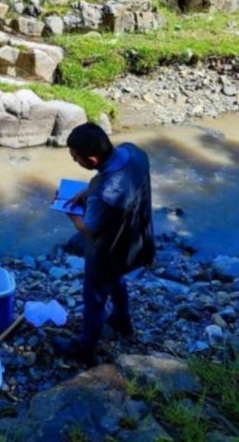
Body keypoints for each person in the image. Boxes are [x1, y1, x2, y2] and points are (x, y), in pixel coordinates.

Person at [55, 123, 155, 365]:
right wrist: (89, 189)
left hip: (108, 250)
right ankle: (122, 320)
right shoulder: (133, 152)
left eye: (76, 158)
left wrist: (68, 212)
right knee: (117, 277)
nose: (74, 161)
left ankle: (85, 350)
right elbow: (108, 177)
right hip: (137, 237)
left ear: (91, 159)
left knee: (94, 297)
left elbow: (89, 229)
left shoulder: (105, 194)